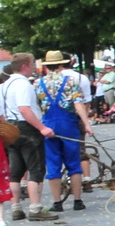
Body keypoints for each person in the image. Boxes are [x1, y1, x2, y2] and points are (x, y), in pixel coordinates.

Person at [2, 54, 57, 222]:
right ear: (25, 65)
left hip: (10, 128)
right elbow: (24, 109)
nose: (34, 67)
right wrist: (42, 128)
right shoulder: (23, 85)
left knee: (15, 171)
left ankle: (16, 207)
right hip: (27, 128)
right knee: (36, 168)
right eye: (32, 64)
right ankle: (35, 208)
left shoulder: (4, 85)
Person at [36, 51, 93, 213]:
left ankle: (57, 202)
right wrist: (87, 123)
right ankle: (77, 200)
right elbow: (78, 104)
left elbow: (36, 106)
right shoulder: (71, 81)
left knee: (53, 164)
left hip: (49, 124)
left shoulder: (39, 83)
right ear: (62, 64)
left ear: (47, 66)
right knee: (73, 162)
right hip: (68, 124)